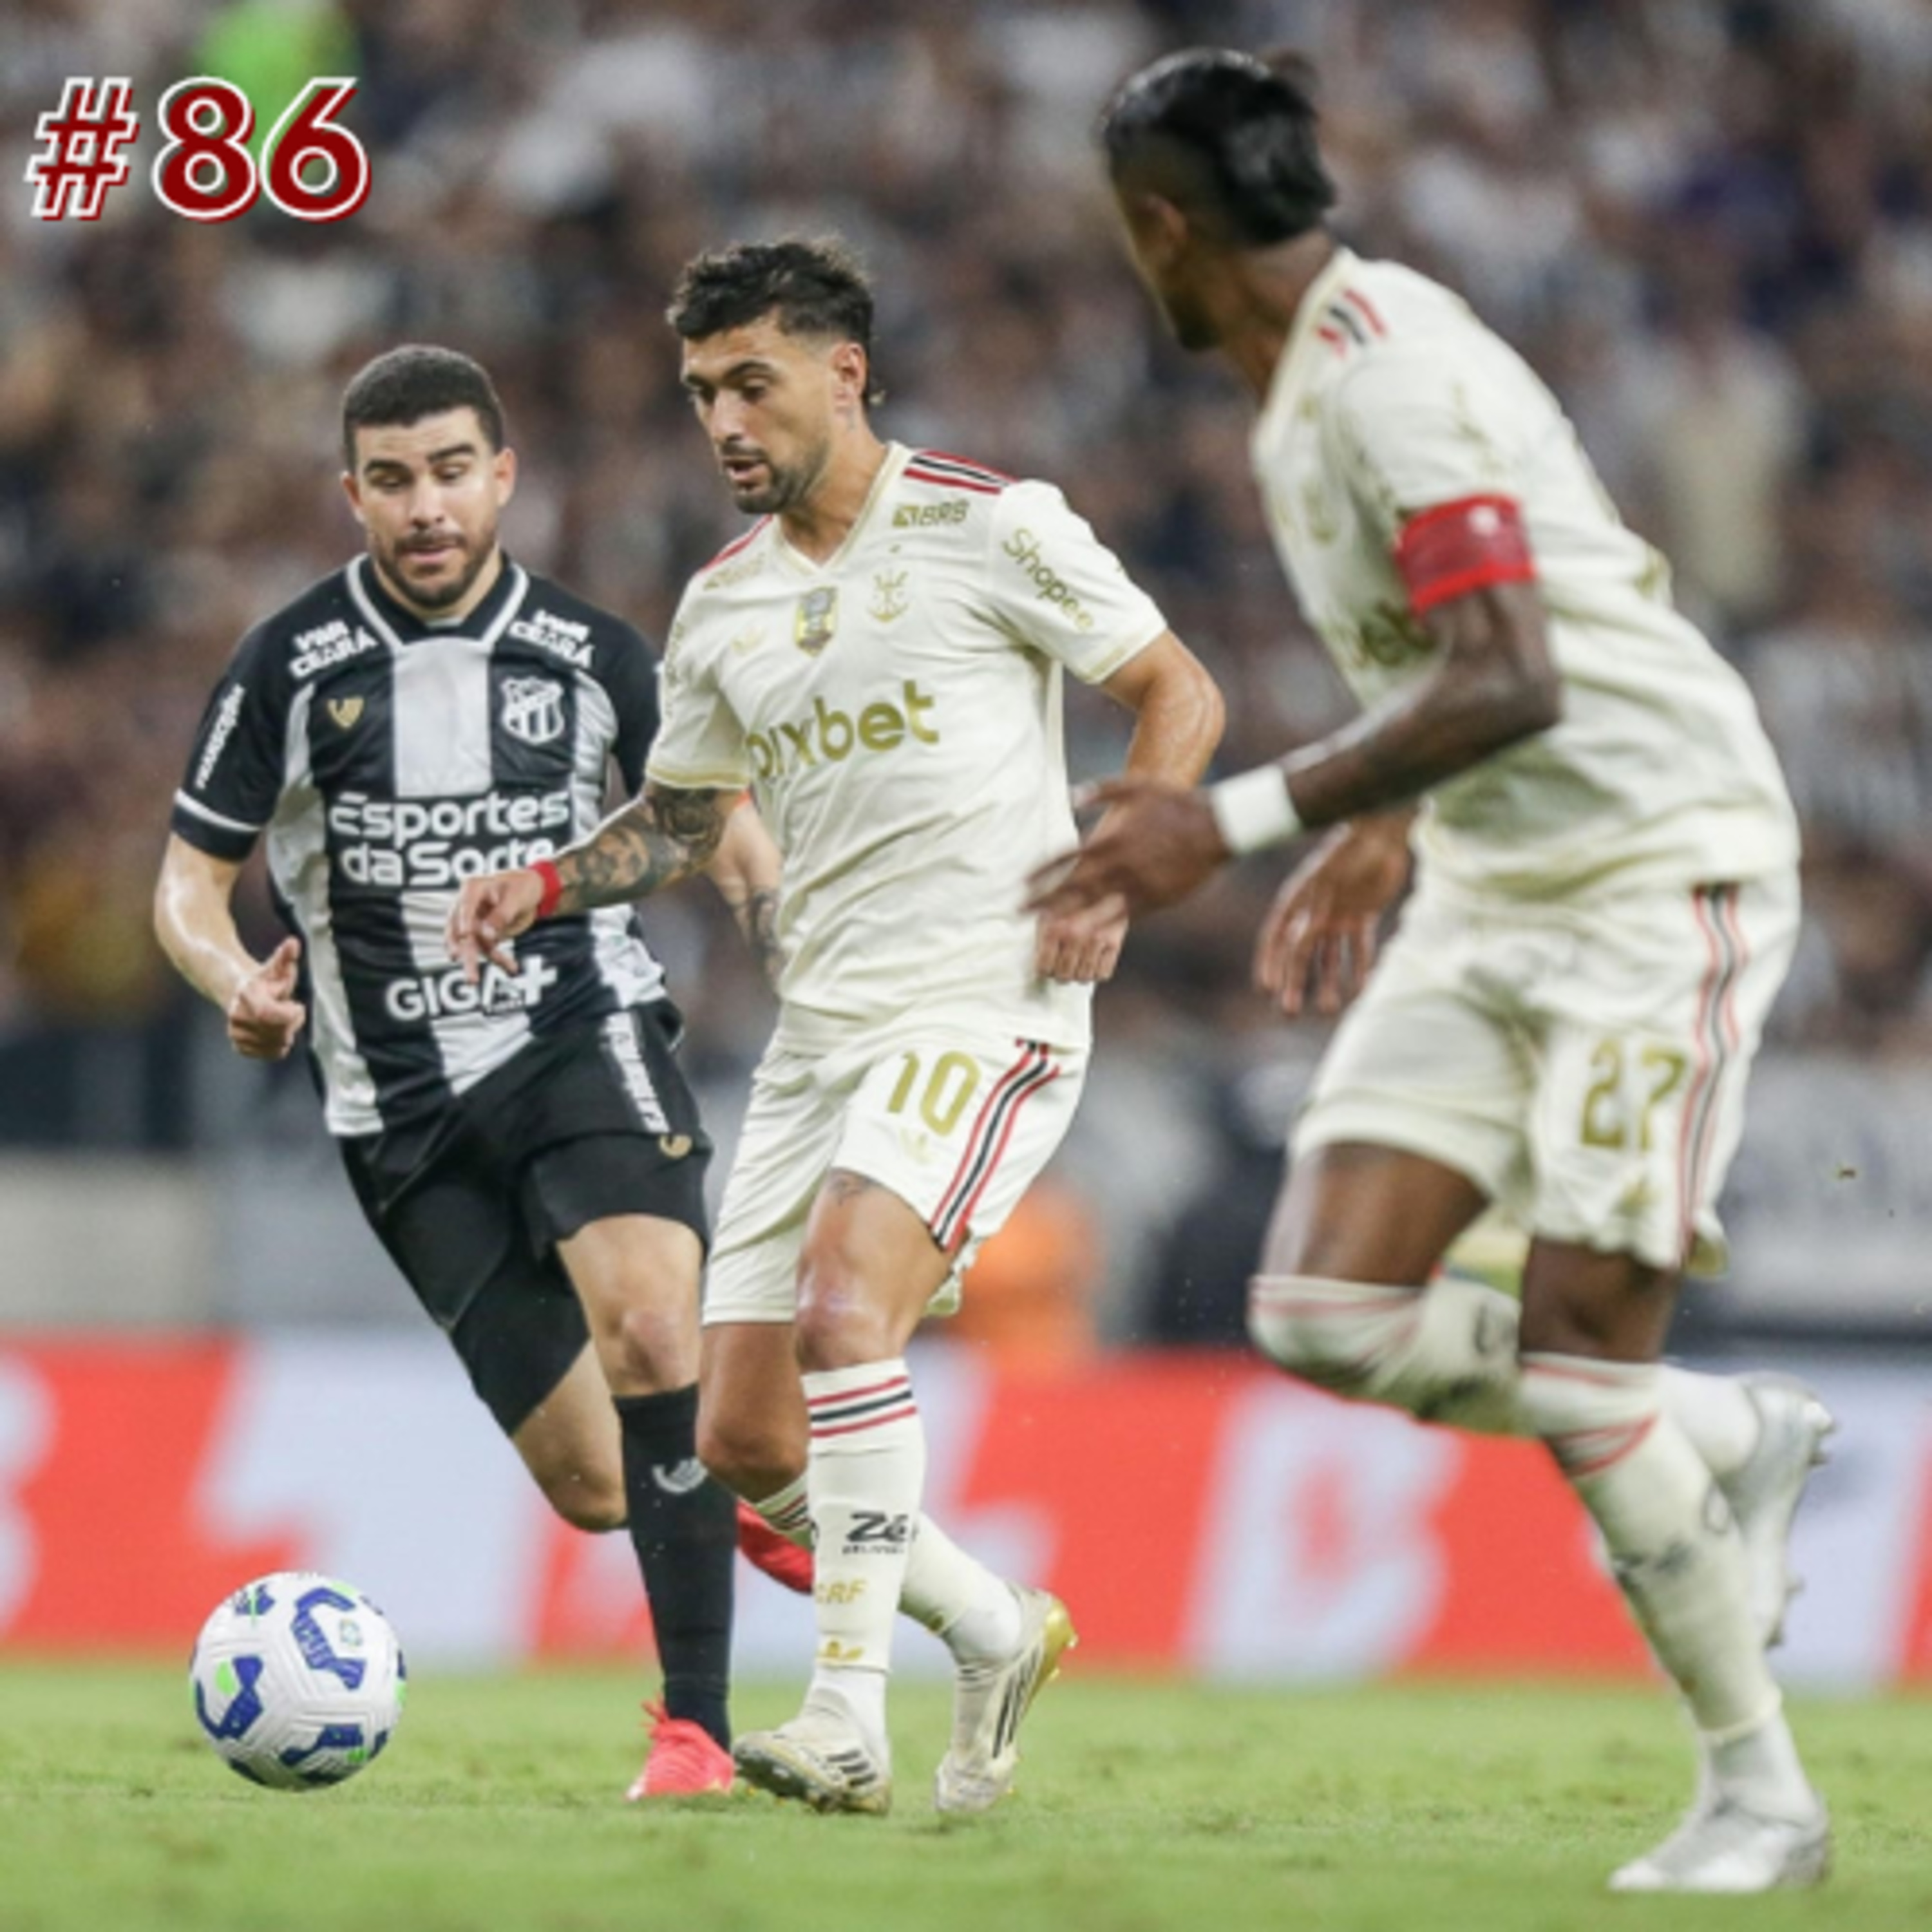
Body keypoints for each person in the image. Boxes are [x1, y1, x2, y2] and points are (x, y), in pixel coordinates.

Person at [1027, 51, 1833, 1893]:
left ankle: (1762, 1798)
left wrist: (1225, 823)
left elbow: (1521, 671)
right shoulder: (1323, 372)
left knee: (1581, 1353)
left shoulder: (1389, 379)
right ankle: (1729, 1433)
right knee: (1327, 1309)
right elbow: (1510, 616)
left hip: (1656, 873)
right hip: (1494, 875)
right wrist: (1392, 815)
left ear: (1161, 228)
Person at [449, 238, 1224, 1816]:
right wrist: (548, 881)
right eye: (701, 394)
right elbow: (682, 820)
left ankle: (848, 1718)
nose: (724, 422)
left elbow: (1179, 692)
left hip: (986, 1000)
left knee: (843, 1308)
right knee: (741, 1432)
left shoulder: (989, 523)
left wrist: (1118, 866)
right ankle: (995, 1629)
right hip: (822, 1036)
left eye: (753, 383)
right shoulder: (723, 604)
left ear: (845, 372)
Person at [154, 344, 795, 1801]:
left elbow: (720, 827)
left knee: (654, 1330)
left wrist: (790, 957)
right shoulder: (289, 666)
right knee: (596, 1484)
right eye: (393, 480)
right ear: (353, 495)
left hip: (580, 1036)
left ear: (503, 476)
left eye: (451, 472)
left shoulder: (593, 654)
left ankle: (695, 1735)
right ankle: (725, 1498)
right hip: (399, 1112)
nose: (426, 506)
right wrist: (233, 979)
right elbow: (187, 885)